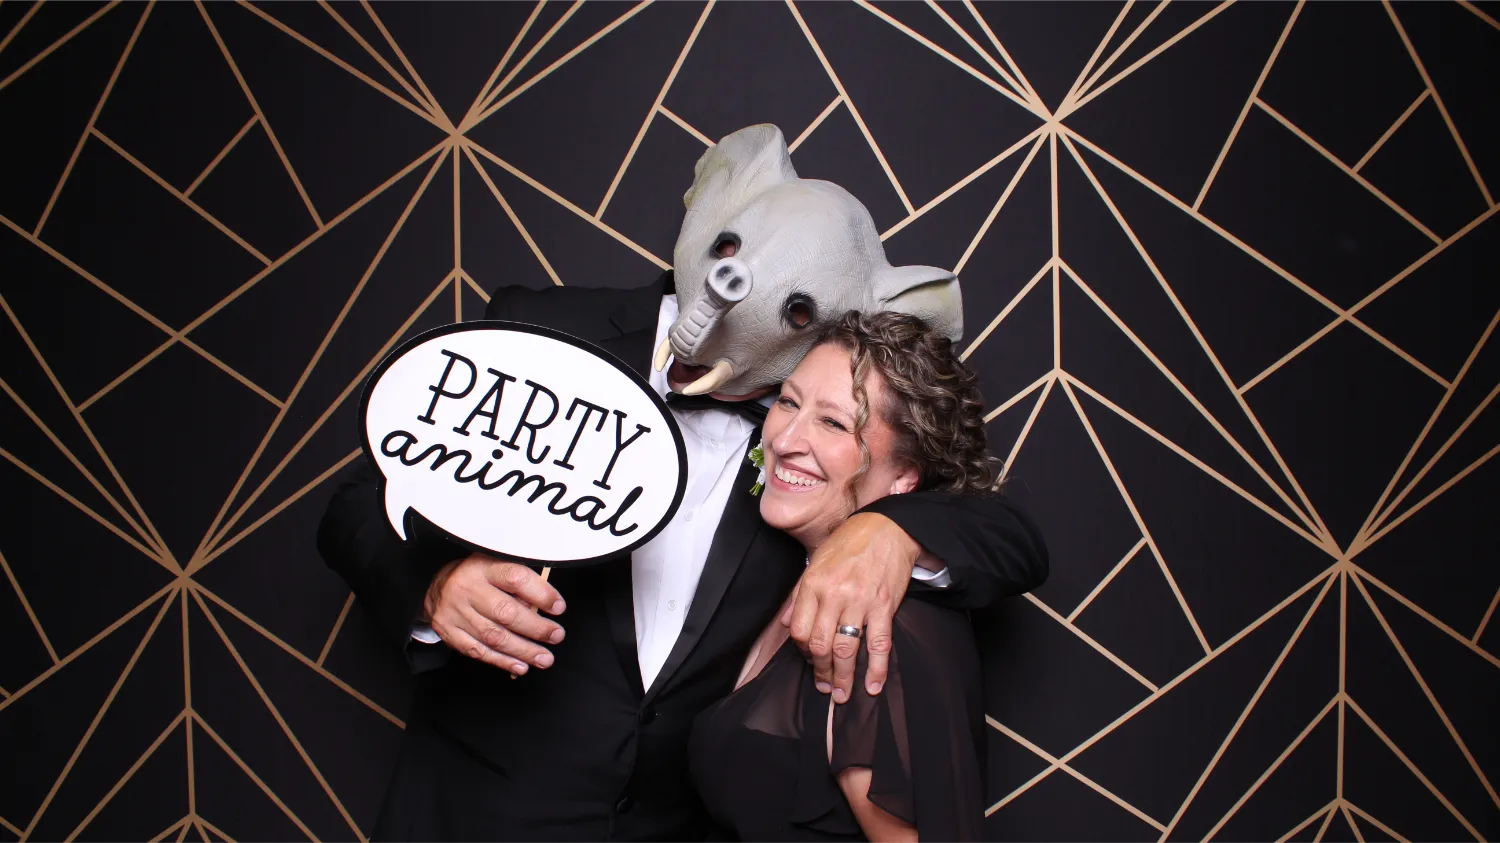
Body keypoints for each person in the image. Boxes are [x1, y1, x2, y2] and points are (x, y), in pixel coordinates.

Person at [317, 125, 1048, 842]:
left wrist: (886, 530)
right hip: (473, 815)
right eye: (796, 410)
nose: (797, 428)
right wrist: (435, 585)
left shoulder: (802, 452)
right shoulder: (543, 326)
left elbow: (1008, 535)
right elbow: (360, 506)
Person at [691, 311, 997, 842]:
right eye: (788, 402)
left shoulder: (876, 636)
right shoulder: (793, 575)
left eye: (833, 422)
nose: (786, 439)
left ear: (904, 475)